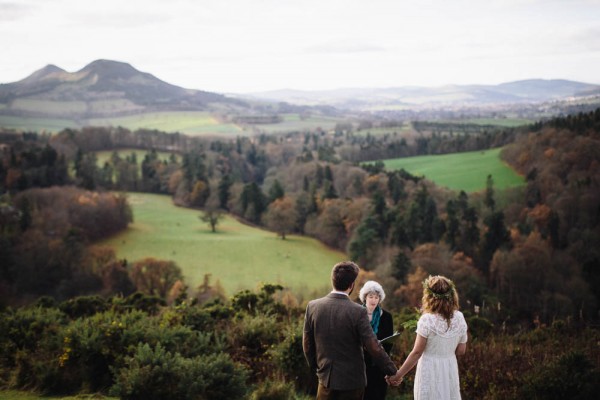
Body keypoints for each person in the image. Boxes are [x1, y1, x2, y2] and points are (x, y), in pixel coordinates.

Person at [303, 261, 398, 400]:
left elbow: (307, 345)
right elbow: (374, 347)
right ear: (352, 285)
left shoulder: (312, 306)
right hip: (352, 383)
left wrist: (317, 368)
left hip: (325, 380)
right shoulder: (358, 311)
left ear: (333, 280)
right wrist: (393, 372)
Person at [387, 275, 468, 399]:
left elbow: (417, 352)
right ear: (452, 295)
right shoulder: (459, 317)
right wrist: (446, 350)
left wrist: (398, 375)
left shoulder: (427, 320)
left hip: (429, 370)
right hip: (449, 369)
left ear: (429, 296)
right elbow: (461, 351)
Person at [359, 281, 394, 400]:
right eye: (370, 297)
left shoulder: (387, 317)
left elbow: (389, 343)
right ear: (365, 298)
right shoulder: (357, 314)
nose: (373, 300)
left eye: (376, 297)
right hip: (360, 364)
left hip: (379, 365)